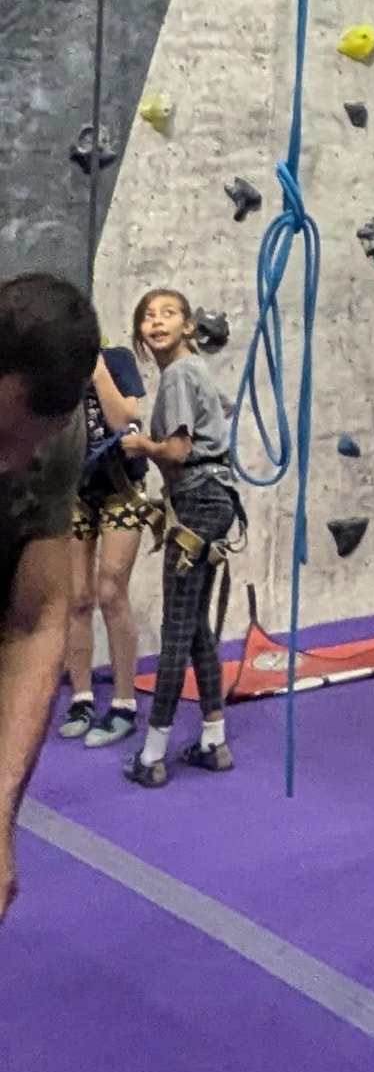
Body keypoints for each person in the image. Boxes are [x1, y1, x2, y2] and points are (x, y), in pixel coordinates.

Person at [0, 271, 101, 924]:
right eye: (4, 434)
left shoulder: (57, 437)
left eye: (32, 440)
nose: (15, 461)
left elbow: (37, 622)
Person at [120, 295, 241, 788]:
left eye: (168, 314)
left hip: (196, 500)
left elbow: (177, 450)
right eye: (147, 316)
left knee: (175, 629)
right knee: (193, 629)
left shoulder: (178, 375)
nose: (156, 322)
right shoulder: (195, 372)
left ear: (189, 325)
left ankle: (152, 753)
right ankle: (213, 740)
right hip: (215, 499)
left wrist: (141, 445)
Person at [55, 301, 158, 752]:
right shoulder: (55, 374)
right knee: (77, 597)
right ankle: (80, 696)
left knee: (112, 591)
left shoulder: (116, 361)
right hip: (75, 491)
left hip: (120, 487)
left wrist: (96, 370)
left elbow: (126, 421)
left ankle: (123, 702)